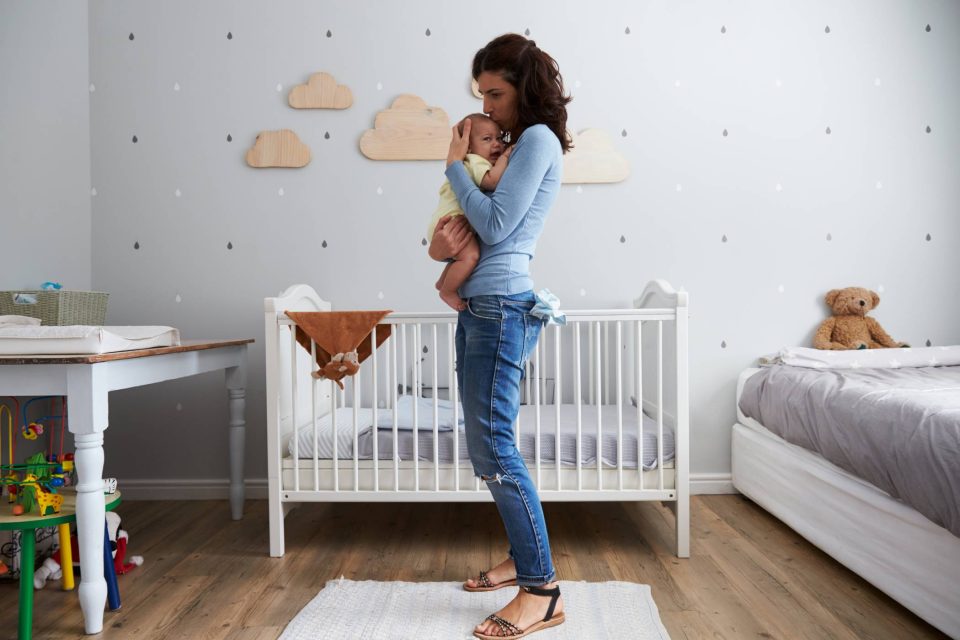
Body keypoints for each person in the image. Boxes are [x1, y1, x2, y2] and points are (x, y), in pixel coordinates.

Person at [428, 33, 572, 639]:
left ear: (524, 89)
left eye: (495, 93)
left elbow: (491, 221)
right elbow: (463, 229)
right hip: (481, 306)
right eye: (480, 94)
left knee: (496, 450)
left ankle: (541, 588)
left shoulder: (536, 140)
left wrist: (451, 167)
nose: (486, 107)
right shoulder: (510, 145)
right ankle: (521, 558)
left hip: (501, 306)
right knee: (486, 446)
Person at [428, 113, 512, 311]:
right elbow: (492, 180)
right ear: (469, 147)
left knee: (462, 257)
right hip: (451, 223)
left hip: (446, 222)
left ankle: (443, 282)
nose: (497, 145)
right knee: (471, 256)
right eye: (487, 139)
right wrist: (506, 157)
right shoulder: (474, 161)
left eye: (499, 138)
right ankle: (447, 291)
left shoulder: (472, 162)